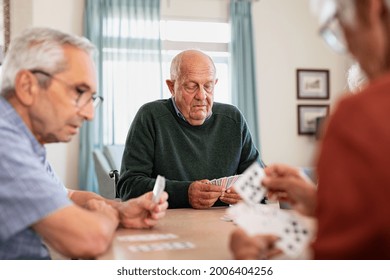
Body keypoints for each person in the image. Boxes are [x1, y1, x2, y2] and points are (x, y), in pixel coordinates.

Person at [230, 0, 390, 259]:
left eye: (338, 23)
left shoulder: (358, 116)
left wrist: (255, 263)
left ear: (371, 7)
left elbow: (339, 262)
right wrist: (318, 202)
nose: (347, 44)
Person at [0, 27, 168, 260]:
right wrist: (108, 217)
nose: (90, 114)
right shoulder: (4, 143)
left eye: (92, 99)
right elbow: (88, 239)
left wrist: (120, 210)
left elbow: (66, 196)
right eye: (79, 92)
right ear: (28, 86)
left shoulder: (26, 140)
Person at [117, 49, 264, 209]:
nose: (201, 95)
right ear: (172, 87)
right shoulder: (150, 116)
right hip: (169, 224)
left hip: (225, 223)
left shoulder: (233, 118)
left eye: (208, 86)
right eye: (191, 86)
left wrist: (249, 193)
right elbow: (128, 187)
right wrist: (184, 193)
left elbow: (261, 179)